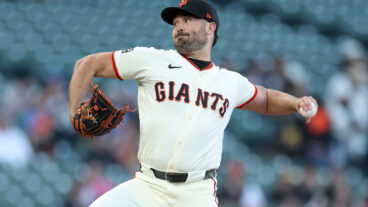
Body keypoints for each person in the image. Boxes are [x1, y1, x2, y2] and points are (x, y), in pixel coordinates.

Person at [68, 0, 318, 206]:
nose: (179, 27)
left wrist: (296, 103)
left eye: (187, 20)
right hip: (148, 186)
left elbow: (264, 99)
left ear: (210, 28)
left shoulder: (230, 81)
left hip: (196, 194)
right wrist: (74, 112)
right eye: (176, 22)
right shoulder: (152, 60)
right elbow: (86, 64)